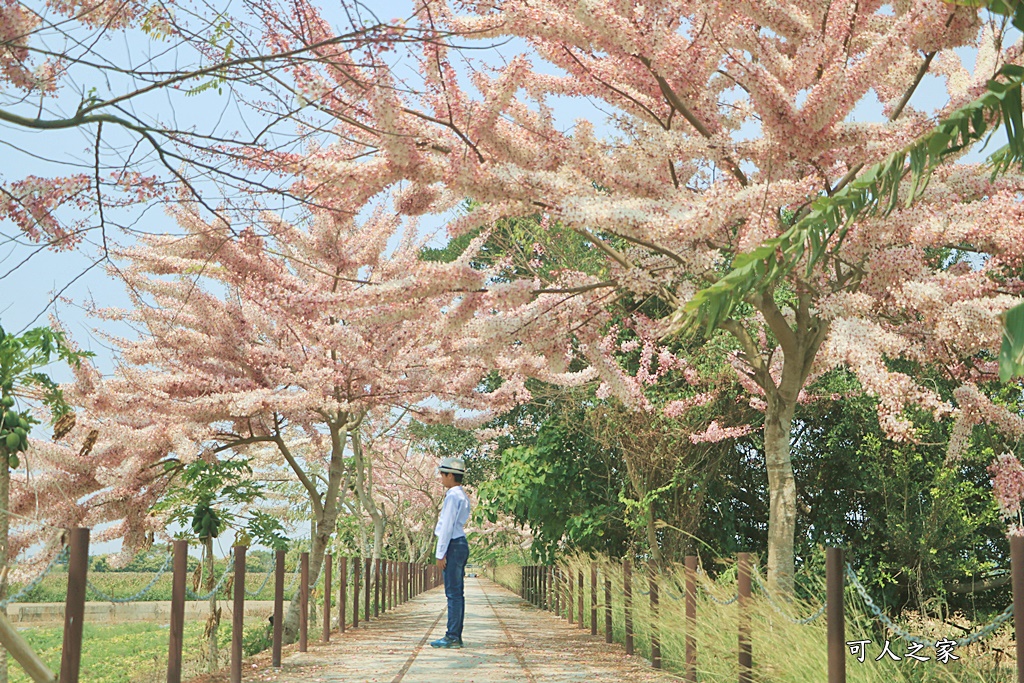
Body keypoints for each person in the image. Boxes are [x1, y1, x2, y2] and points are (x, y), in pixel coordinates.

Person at [430, 456, 471, 649]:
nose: (441, 478)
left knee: (453, 593)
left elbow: (446, 526)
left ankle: (453, 636)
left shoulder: (453, 496)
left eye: (442, 474)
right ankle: (454, 634)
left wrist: (440, 553)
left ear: (450, 475)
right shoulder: (462, 495)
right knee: (457, 593)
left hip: (453, 545)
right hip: (460, 543)